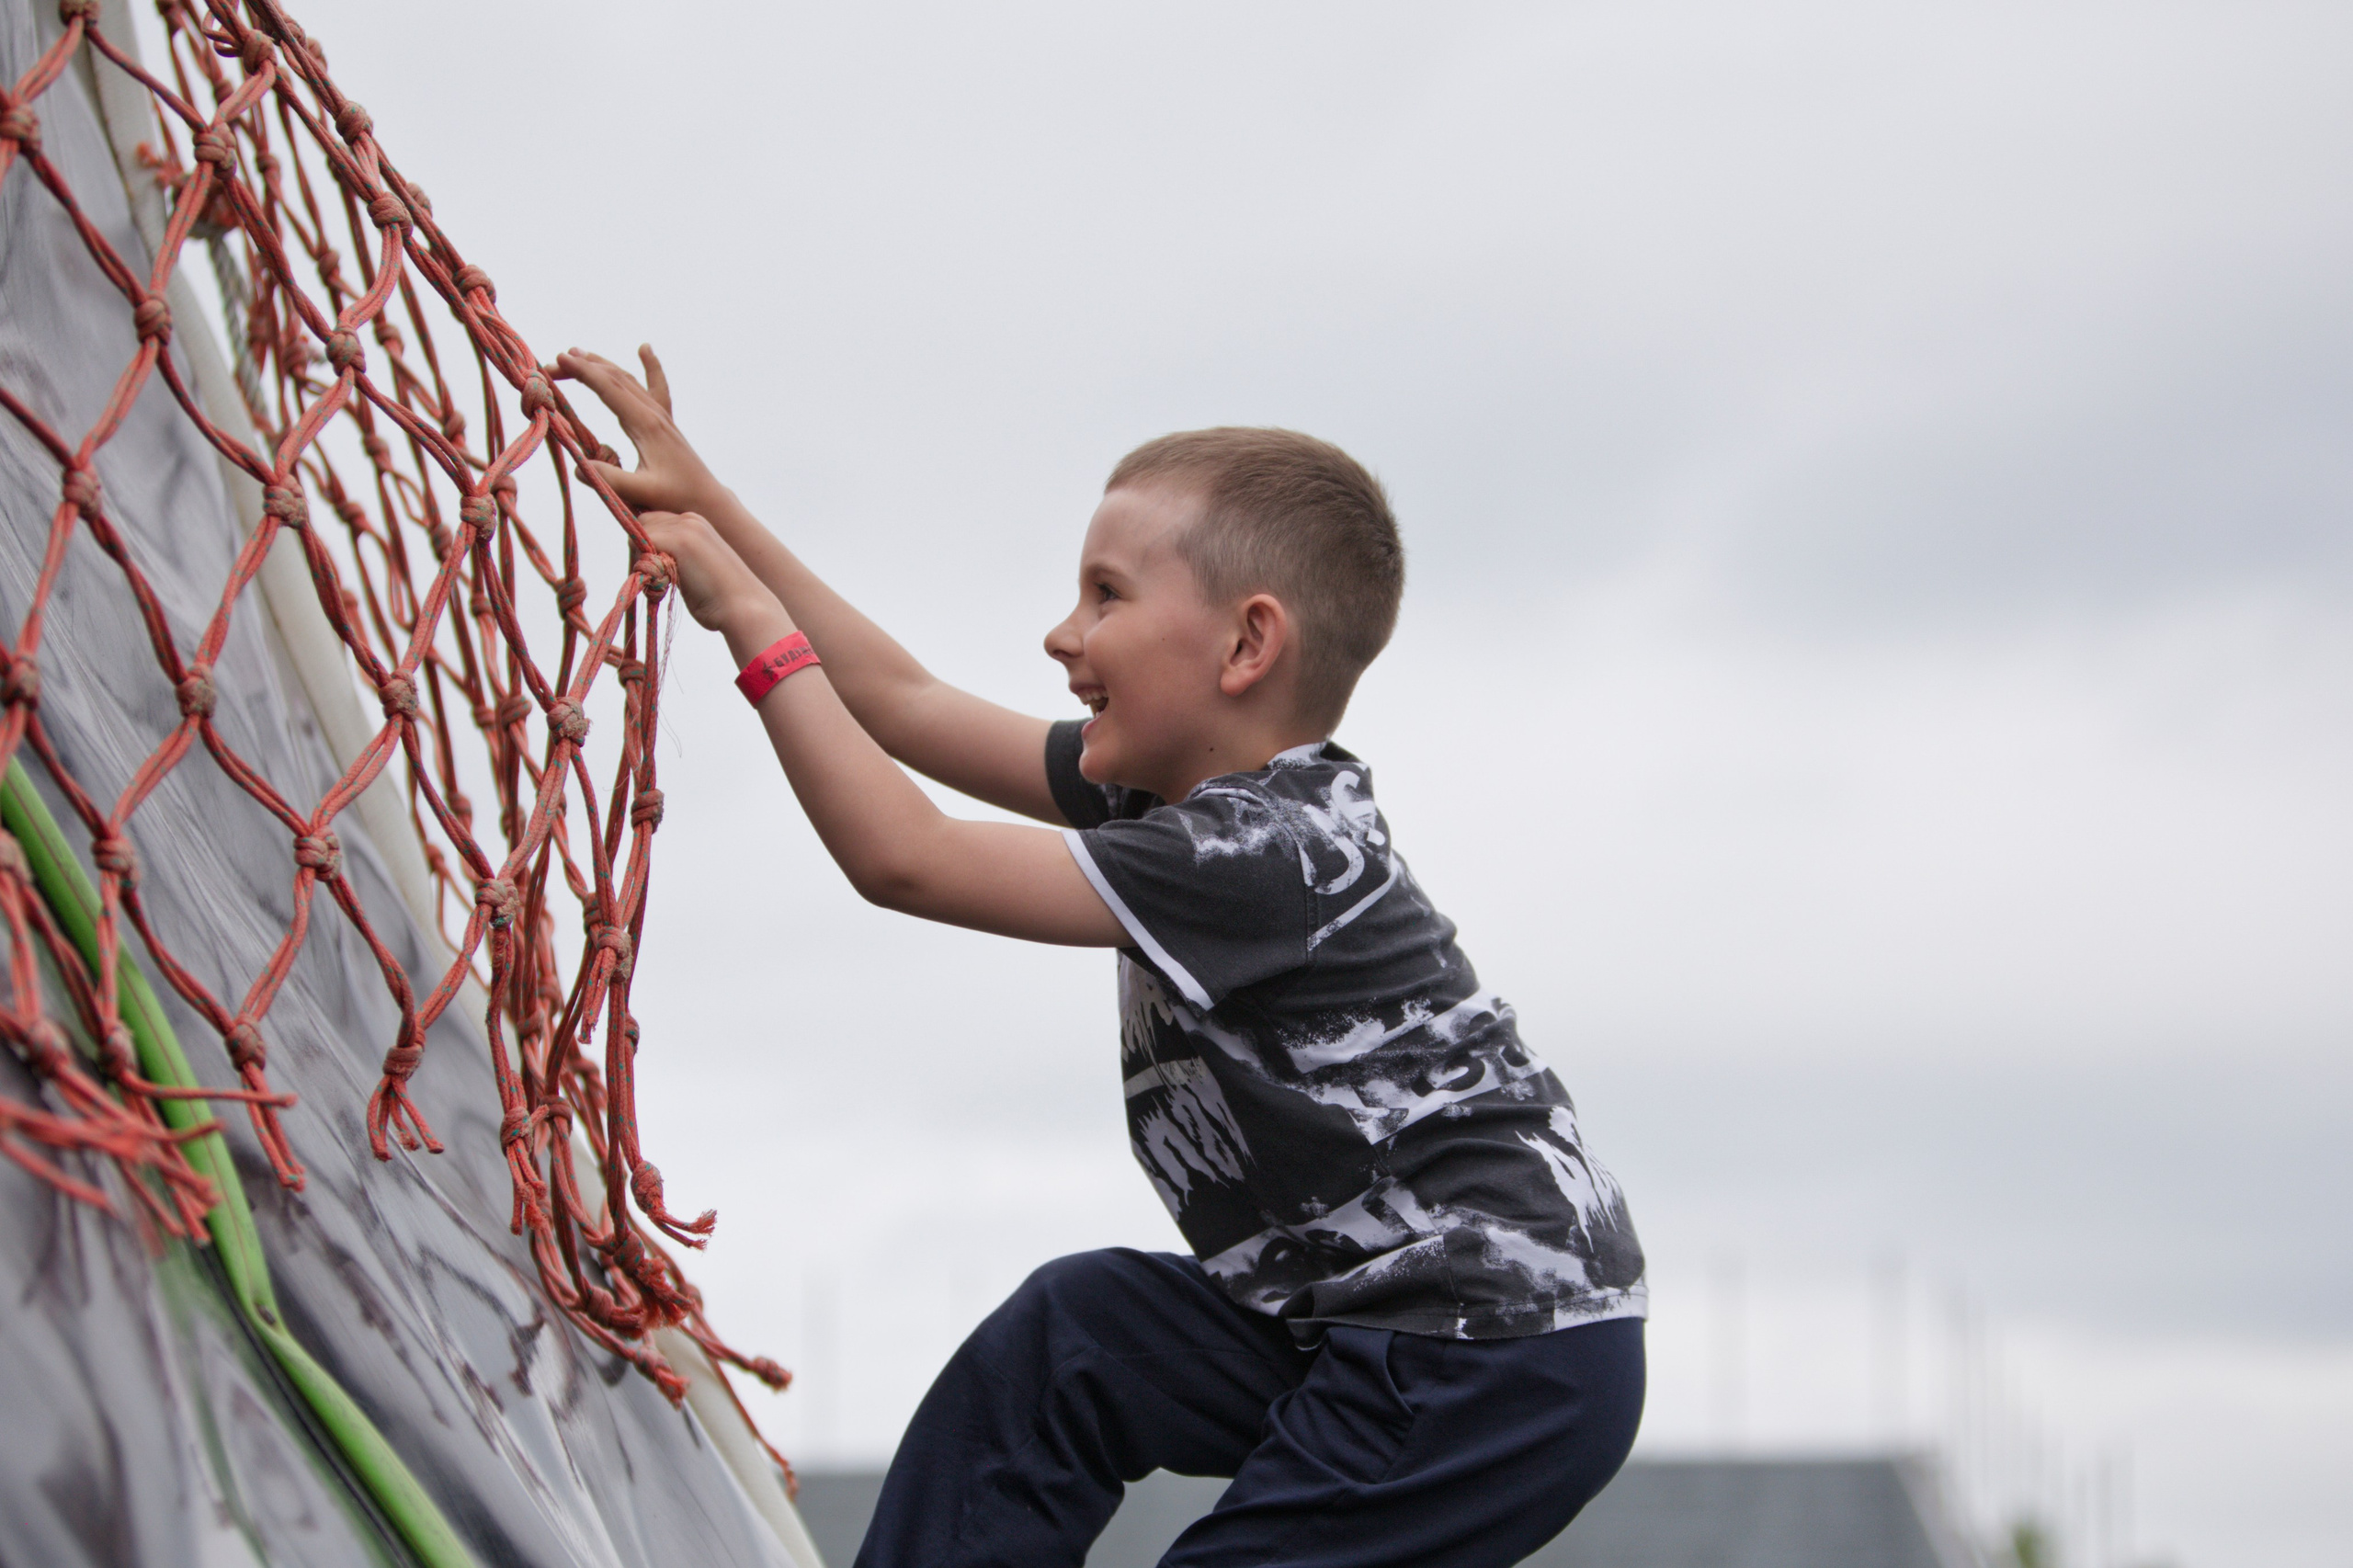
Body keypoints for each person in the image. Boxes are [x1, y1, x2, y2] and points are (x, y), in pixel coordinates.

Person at [556, 346, 1650, 1568]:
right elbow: (904, 701)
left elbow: (902, 855)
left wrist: (753, 627)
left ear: (1245, 647)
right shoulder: (1169, 799)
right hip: (1352, 1311)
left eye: (1106, 597)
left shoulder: (1262, 848)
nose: (1061, 633)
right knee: (1072, 1338)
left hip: (1495, 1349)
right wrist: (711, 509)